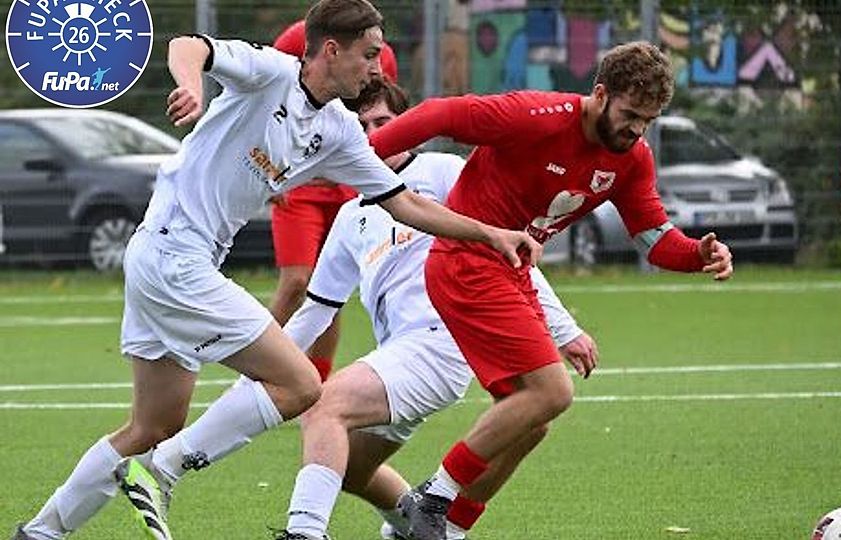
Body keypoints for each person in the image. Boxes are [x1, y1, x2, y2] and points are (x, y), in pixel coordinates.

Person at [10, 1, 540, 539]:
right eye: (370, 54)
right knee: (301, 384)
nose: (377, 69)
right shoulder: (271, 73)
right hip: (174, 256)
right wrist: (192, 86)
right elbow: (188, 44)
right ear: (330, 50)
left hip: (166, 260)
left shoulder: (338, 131)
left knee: (152, 425)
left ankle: (43, 531)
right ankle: (163, 470)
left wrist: (489, 233)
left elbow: (406, 204)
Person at [368, 41, 734, 539]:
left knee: (529, 422)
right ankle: (431, 499)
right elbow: (438, 113)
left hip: (511, 273)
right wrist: (363, 158)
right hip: (467, 261)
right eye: (630, 114)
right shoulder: (535, 115)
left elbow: (654, 238)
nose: (637, 129)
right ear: (600, 94)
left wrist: (698, 254)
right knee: (551, 391)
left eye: (648, 120)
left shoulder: (632, 157)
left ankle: (444, 530)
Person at [274, 79, 596, 540]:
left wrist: (564, 329)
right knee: (339, 462)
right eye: (361, 126)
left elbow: (509, 250)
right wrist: (266, 366)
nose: (373, 134)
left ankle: (305, 533)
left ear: (406, 128)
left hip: (441, 339)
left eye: (383, 122)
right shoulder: (349, 217)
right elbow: (316, 311)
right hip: (399, 357)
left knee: (327, 407)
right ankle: (421, 526)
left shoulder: (444, 171)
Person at [269, 20, 400, 380]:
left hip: (345, 185)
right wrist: (273, 171)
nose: (372, 63)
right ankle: (255, 372)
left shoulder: (381, 52)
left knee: (330, 287)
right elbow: (270, 104)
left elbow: (380, 111)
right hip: (299, 182)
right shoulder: (299, 36)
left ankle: (317, 383)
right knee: (296, 281)